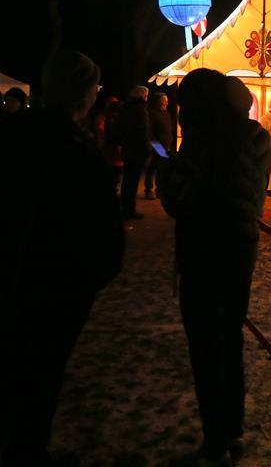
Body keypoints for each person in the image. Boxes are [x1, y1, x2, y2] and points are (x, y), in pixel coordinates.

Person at [0, 49, 124, 466]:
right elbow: (105, 242)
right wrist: (82, 286)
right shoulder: (77, 153)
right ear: (85, 98)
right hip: (51, 293)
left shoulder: (11, 136)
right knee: (37, 382)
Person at [157, 69, 271, 466]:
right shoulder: (258, 137)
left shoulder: (200, 144)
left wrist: (167, 171)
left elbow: (179, 201)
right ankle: (233, 428)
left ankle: (216, 437)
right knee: (230, 337)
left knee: (205, 345)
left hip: (201, 251)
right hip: (240, 250)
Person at [117, 85, 151, 219]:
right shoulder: (140, 110)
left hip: (128, 149)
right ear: (142, 96)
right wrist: (148, 150)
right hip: (137, 150)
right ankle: (129, 210)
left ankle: (126, 208)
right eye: (146, 95)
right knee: (132, 181)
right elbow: (144, 132)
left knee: (128, 180)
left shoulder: (125, 108)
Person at [144, 92, 174, 199]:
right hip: (157, 145)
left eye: (166, 100)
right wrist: (156, 144)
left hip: (166, 145)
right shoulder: (152, 113)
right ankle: (149, 189)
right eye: (164, 101)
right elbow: (149, 131)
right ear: (158, 102)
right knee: (154, 167)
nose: (166, 103)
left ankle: (159, 189)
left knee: (161, 167)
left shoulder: (166, 113)